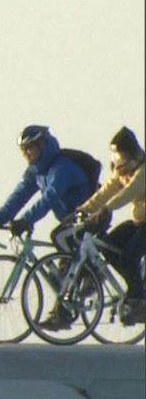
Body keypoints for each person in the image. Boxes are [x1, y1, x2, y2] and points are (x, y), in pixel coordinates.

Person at [0, 125, 97, 251]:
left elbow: (49, 199)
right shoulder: (36, 171)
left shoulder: (63, 167)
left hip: (91, 217)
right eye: (22, 150)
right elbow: (18, 196)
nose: (25, 154)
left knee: (60, 239)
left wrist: (26, 220)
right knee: (66, 265)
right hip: (71, 221)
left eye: (28, 148)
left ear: (41, 144)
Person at [74, 126, 146, 324]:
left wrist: (107, 209)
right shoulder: (123, 171)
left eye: (121, 155)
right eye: (116, 156)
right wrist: (85, 209)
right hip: (140, 221)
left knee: (129, 255)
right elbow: (106, 191)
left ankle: (139, 299)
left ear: (132, 153)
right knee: (109, 246)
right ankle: (135, 287)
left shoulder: (142, 171)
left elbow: (129, 192)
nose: (118, 161)